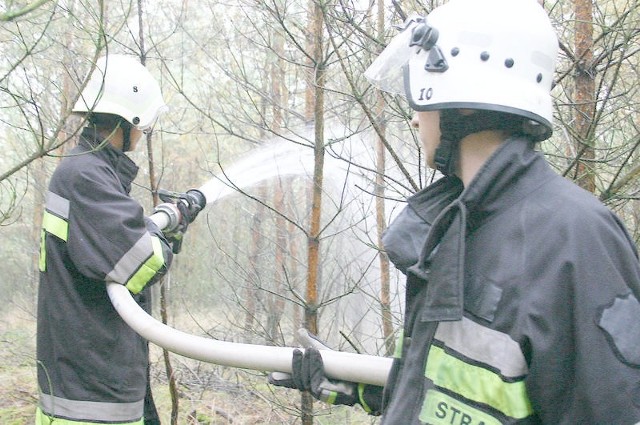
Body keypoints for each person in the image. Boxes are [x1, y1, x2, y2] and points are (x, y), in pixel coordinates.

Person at [269, 0, 640, 423]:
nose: (415, 121)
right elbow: (469, 386)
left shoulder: (576, 238)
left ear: (460, 103)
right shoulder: (459, 226)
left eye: (421, 101)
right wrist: (360, 384)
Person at [36, 54, 202, 425]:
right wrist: (160, 232)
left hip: (95, 379)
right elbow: (146, 262)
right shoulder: (85, 177)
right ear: (130, 121)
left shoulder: (89, 173)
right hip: (90, 394)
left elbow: (106, 248)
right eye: (143, 125)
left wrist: (157, 225)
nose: (144, 134)